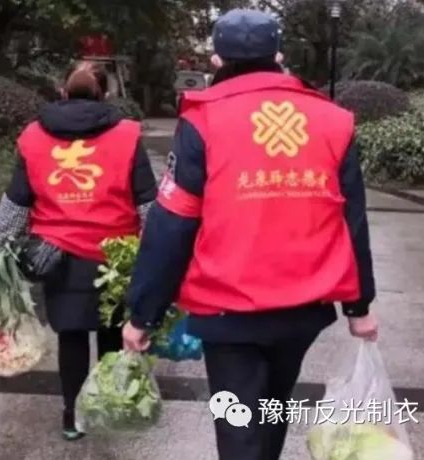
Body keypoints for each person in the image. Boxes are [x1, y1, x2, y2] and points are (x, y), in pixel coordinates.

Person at [121, 9, 379, 460]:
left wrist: (145, 313)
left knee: (239, 425)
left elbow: (173, 223)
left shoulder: (203, 121)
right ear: (278, 55)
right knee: (273, 412)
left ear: (217, 60)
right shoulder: (333, 120)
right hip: (302, 306)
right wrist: (359, 307)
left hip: (228, 308)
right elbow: (352, 218)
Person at [0, 60, 157, 440]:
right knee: (112, 334)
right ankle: (110, 406)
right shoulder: (127, 135)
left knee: (72, 337)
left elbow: (16, 203)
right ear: (105, 94)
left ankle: (72, 415)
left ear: (63, 92)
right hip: (116, 255)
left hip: (59, 258)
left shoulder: (34, 137)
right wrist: (156, 253)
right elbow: (148, 202)